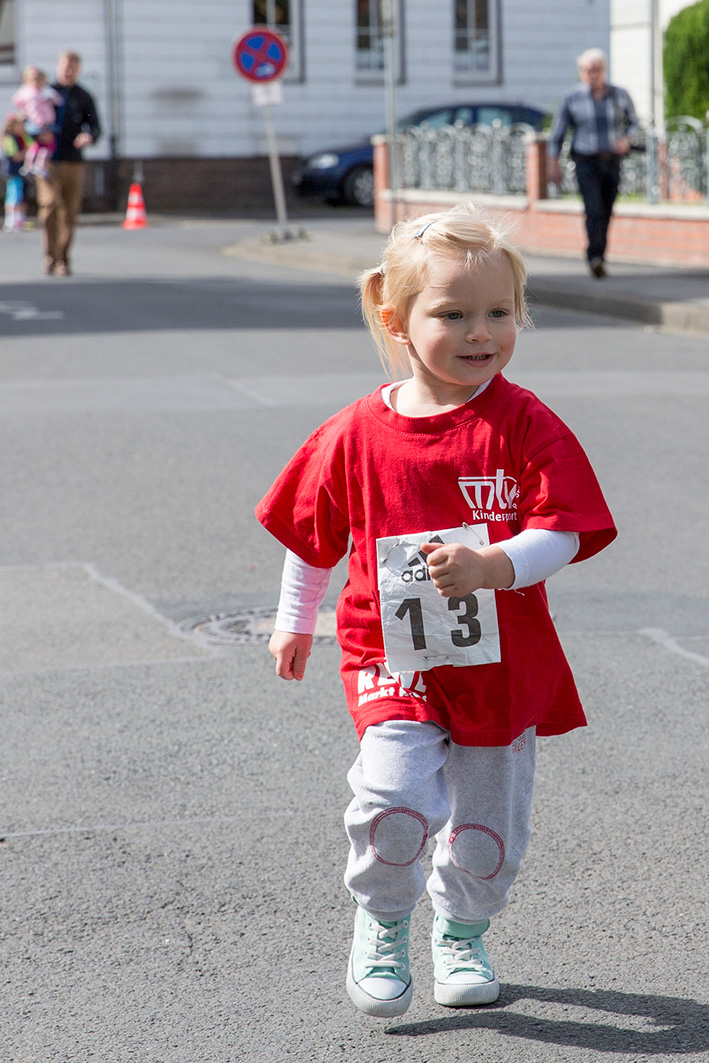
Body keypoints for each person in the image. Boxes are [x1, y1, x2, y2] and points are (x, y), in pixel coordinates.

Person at [255, 201, 617, 1018]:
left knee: (488, 831)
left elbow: (563, 528)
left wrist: (496, 563)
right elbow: (311, 534)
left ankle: (461, 930)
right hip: (393, 656)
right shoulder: (356, 431)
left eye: (498, 312)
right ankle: (382, 921)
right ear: (395, 318)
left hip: (501, 666)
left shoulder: (525, 423)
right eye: (452, 313)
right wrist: (292, 618)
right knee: (390, 801)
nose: (479, 331)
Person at [548, 48, 638, 278]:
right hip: (586, 161)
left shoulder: (619, 95)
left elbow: (634, 122)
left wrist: (627, 140)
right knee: (593, 209)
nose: (593, 75)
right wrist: (553, 163)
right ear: (581, 73)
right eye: (588, 71)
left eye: (597, 70)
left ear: (604, 70)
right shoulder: (573, 98)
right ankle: (594, 256)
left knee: (606, 210)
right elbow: (557, 133)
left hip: (612, 160)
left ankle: (600, 254)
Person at [34, 51, 101, 276]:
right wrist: (35, 133)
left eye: (73, 66)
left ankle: (62, 258)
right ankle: (49, 255)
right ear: (58, 67)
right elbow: (29, 121)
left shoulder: (83, 96)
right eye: (65, 65)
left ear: (78, 69)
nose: (68, 69)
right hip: (47, 161)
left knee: (69, 212)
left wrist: (88, 136)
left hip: (73, 162)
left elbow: (95, 127)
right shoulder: (45, 93)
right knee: (49, 206)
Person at [11, 65, 62, 178]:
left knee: (36, 146)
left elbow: (57, 99)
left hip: (42, 123)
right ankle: (38, 165)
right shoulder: (31, 95)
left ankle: (30, 165)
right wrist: (40, 122)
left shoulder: (40, 92)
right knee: (48, 145)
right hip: (40, 124)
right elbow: (34, 111)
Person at [2, 113, 28, 231]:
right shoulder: (9, 138)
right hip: (13, 171)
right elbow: (15, 156)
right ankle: (11, 220)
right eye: (21, 125)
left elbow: (31, 144)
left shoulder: (21, 137)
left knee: (20, 195)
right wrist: (26, 152)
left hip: (21, 171)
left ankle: (19, 219)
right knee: (14, 195)